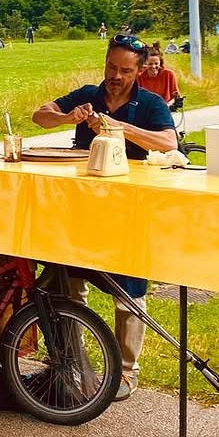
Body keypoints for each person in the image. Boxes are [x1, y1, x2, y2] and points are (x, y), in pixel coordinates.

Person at [31, 34, 177, 400]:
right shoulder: (88, 93)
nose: (115, 75)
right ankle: (74, 361)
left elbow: (169, 143)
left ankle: (127, 372)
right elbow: (39, 116)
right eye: (111, 67)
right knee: (67, 280)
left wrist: (117, 126)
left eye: (125, 70)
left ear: (140, 70)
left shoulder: (150, 103)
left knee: (127, 289)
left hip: (128, 209)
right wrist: (69, 115)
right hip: (82, 205)